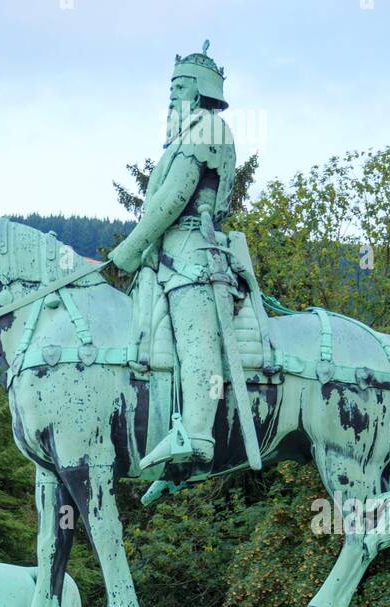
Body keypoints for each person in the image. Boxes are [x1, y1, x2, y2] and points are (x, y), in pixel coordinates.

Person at [108, 41, 236, 473]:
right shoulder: (184, 136)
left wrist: (126, 251)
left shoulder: (209, 131)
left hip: (192, 257)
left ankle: (197, 434)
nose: (171, 97)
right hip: (163, 258)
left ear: (199, 93)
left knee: (195, 336)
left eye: (178, 87)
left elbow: (171, 200)